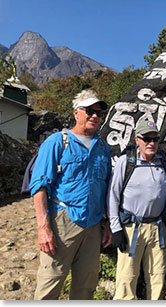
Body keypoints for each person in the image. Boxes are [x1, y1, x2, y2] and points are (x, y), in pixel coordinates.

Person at [29, 89, 112, 300]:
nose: (95, 116)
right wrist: (43, 228)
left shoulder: (103, 147)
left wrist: (108, 224)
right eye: (89, 111)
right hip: (62, 222)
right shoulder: (57, 142)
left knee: (86, 287)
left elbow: (106, 186)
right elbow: (39, 186)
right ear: (76, 112)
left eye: (99, 113)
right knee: (50, 284)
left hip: (93, 225)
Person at [107, 119, 166, 300]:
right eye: (146, 139)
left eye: (155, 139)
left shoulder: (162, 160)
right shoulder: (126, 161)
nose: (151, 143)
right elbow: (113, 196)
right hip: (131, 228)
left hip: (157, 227)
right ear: (137, 139)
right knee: (126, 278)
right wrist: (115, 228)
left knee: (157, 278)